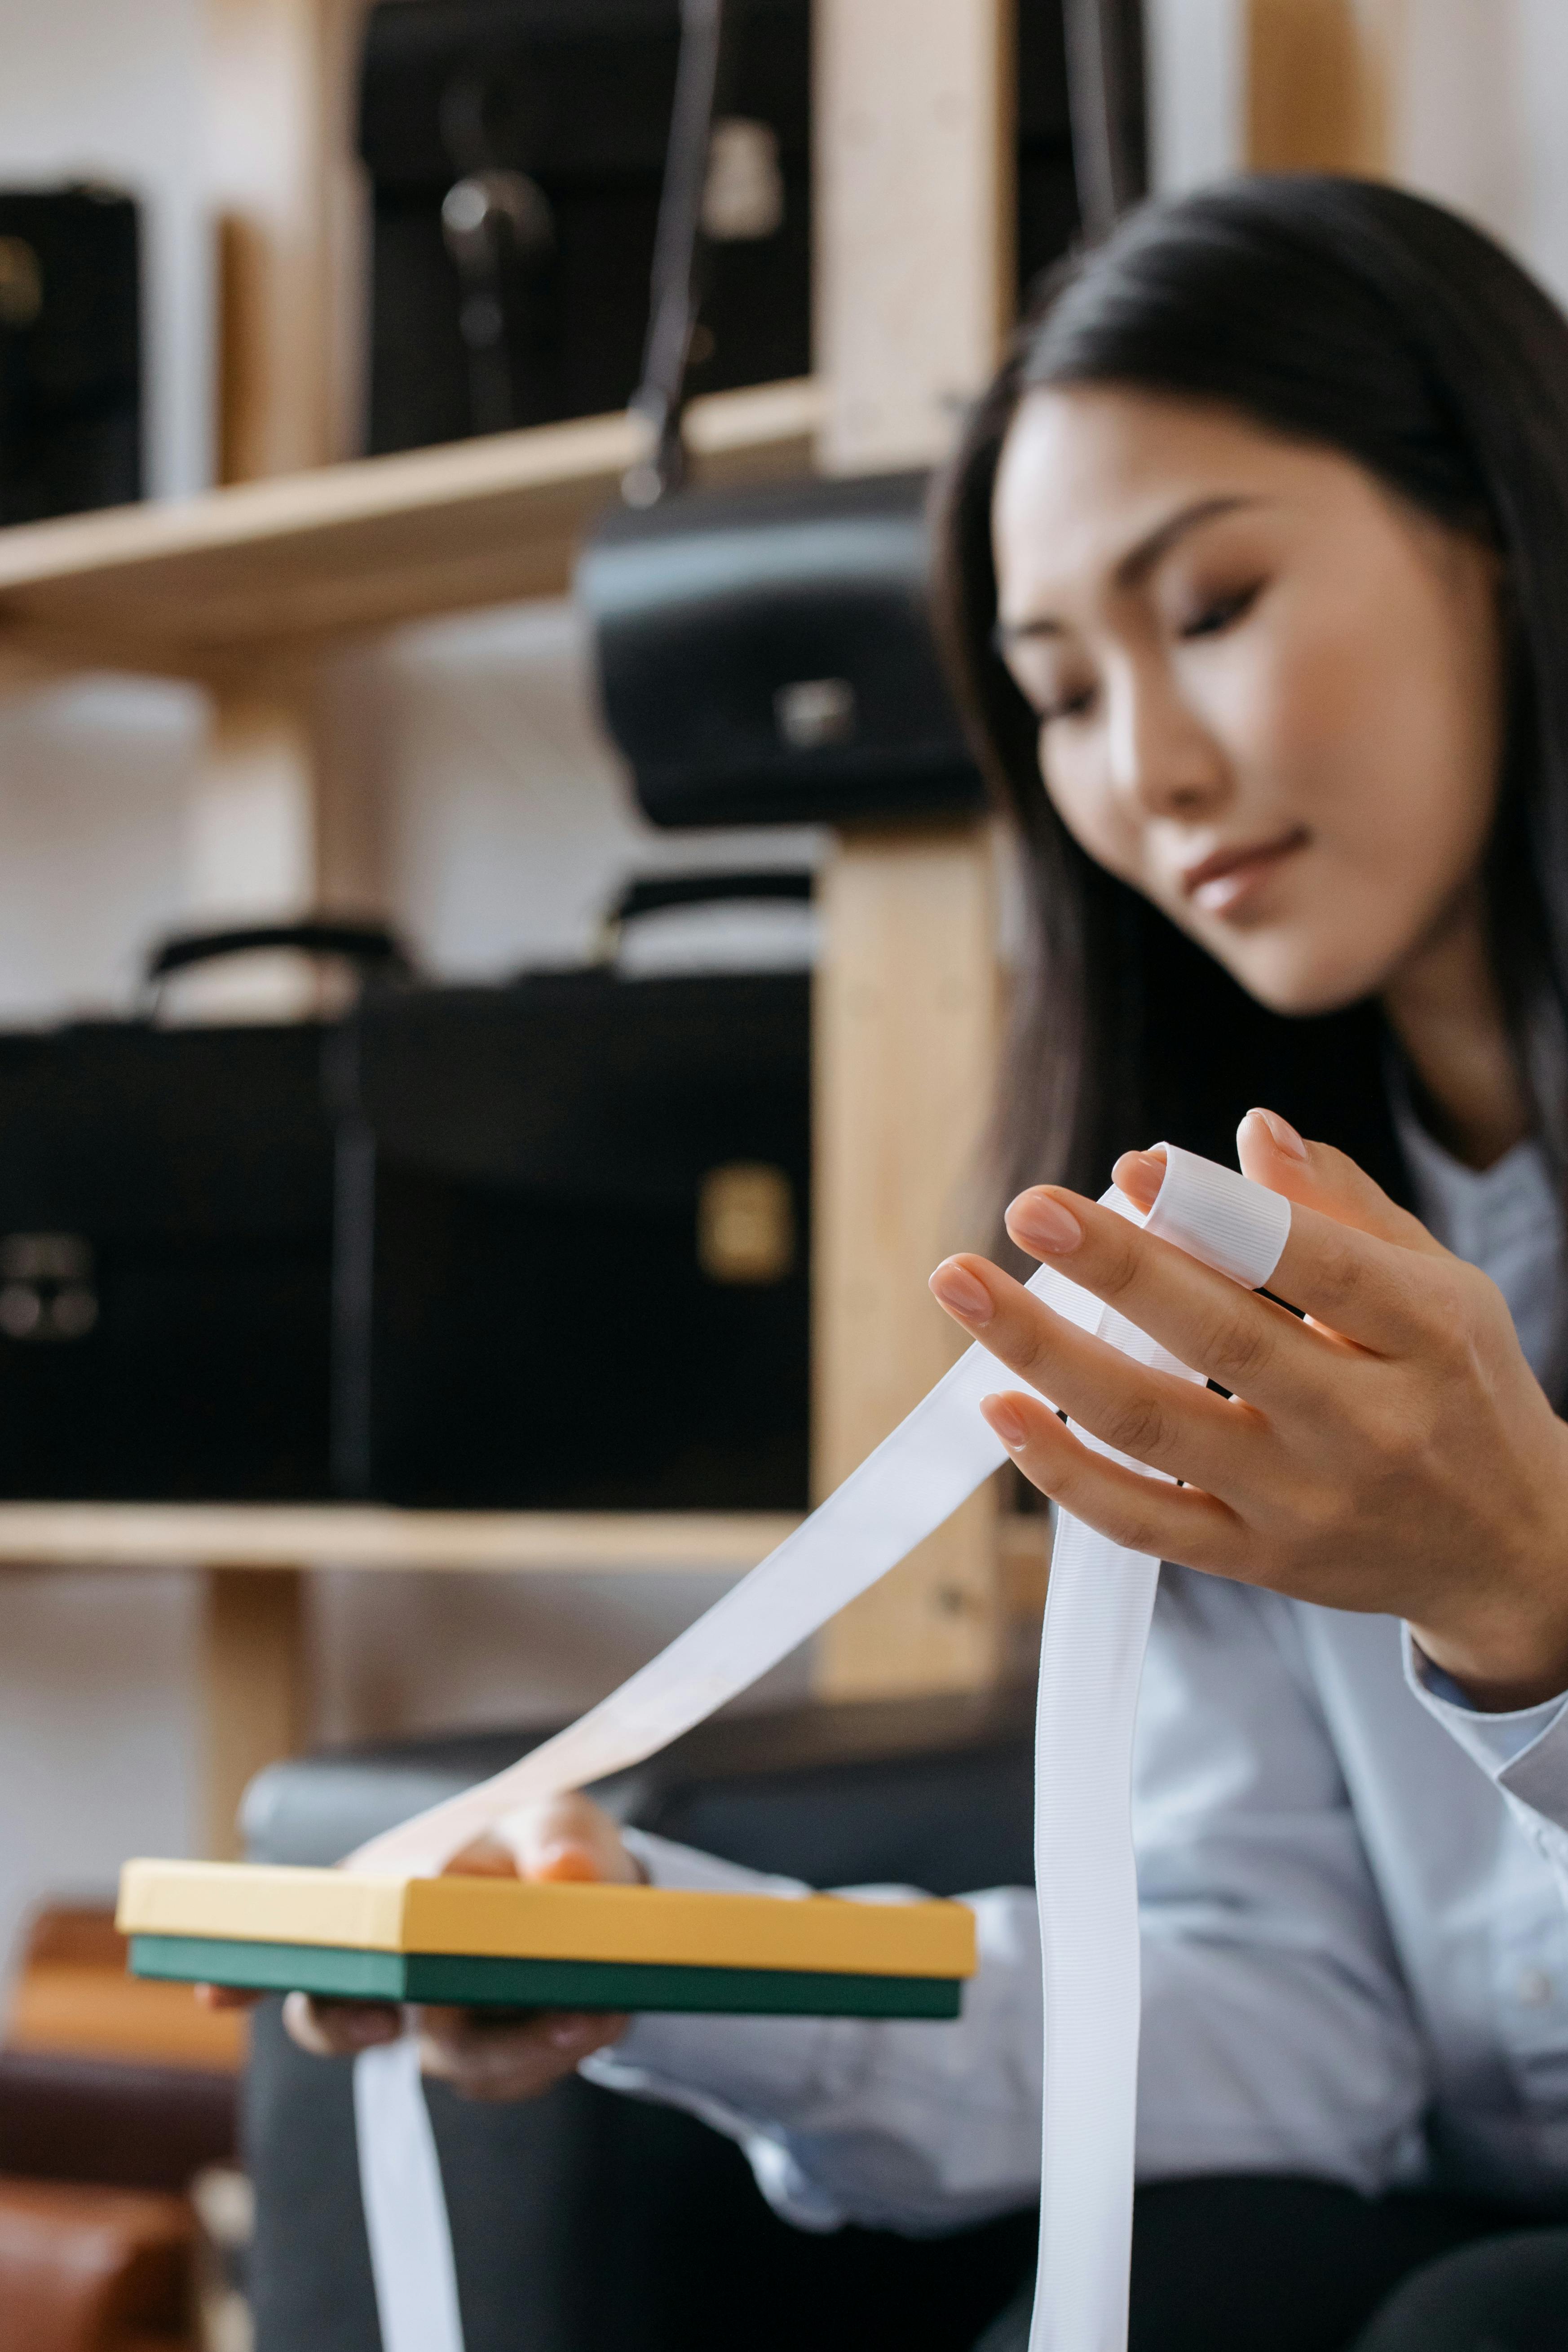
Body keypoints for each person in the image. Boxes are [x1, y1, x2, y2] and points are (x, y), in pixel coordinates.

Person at [286, 178, 1568, 2348]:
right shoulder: (1251, 1277)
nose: (1146, 769)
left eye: (1222, 602)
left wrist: (1536, 1591)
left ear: (1503, 529)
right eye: (1059, 693)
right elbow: (1292, 2021)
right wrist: (675, 1951)